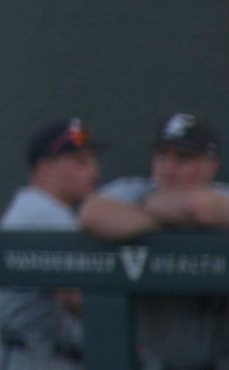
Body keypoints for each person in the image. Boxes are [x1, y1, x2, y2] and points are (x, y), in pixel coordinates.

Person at [78, 113, 229, 370]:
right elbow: (91, 215)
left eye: (182, 159)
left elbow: (199, 207)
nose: (167, 168)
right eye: (162, 155)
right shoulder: (136, 190)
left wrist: (142, 215)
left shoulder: (221, 194)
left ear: (210, 166)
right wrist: (160, 215)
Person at [0, 118, 103, 370]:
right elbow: (76, 297)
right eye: (81, 162)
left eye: (92, 161)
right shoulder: (45, 213)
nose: (94, 170)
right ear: (45, 168)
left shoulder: (27, 206)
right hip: (32, 357)